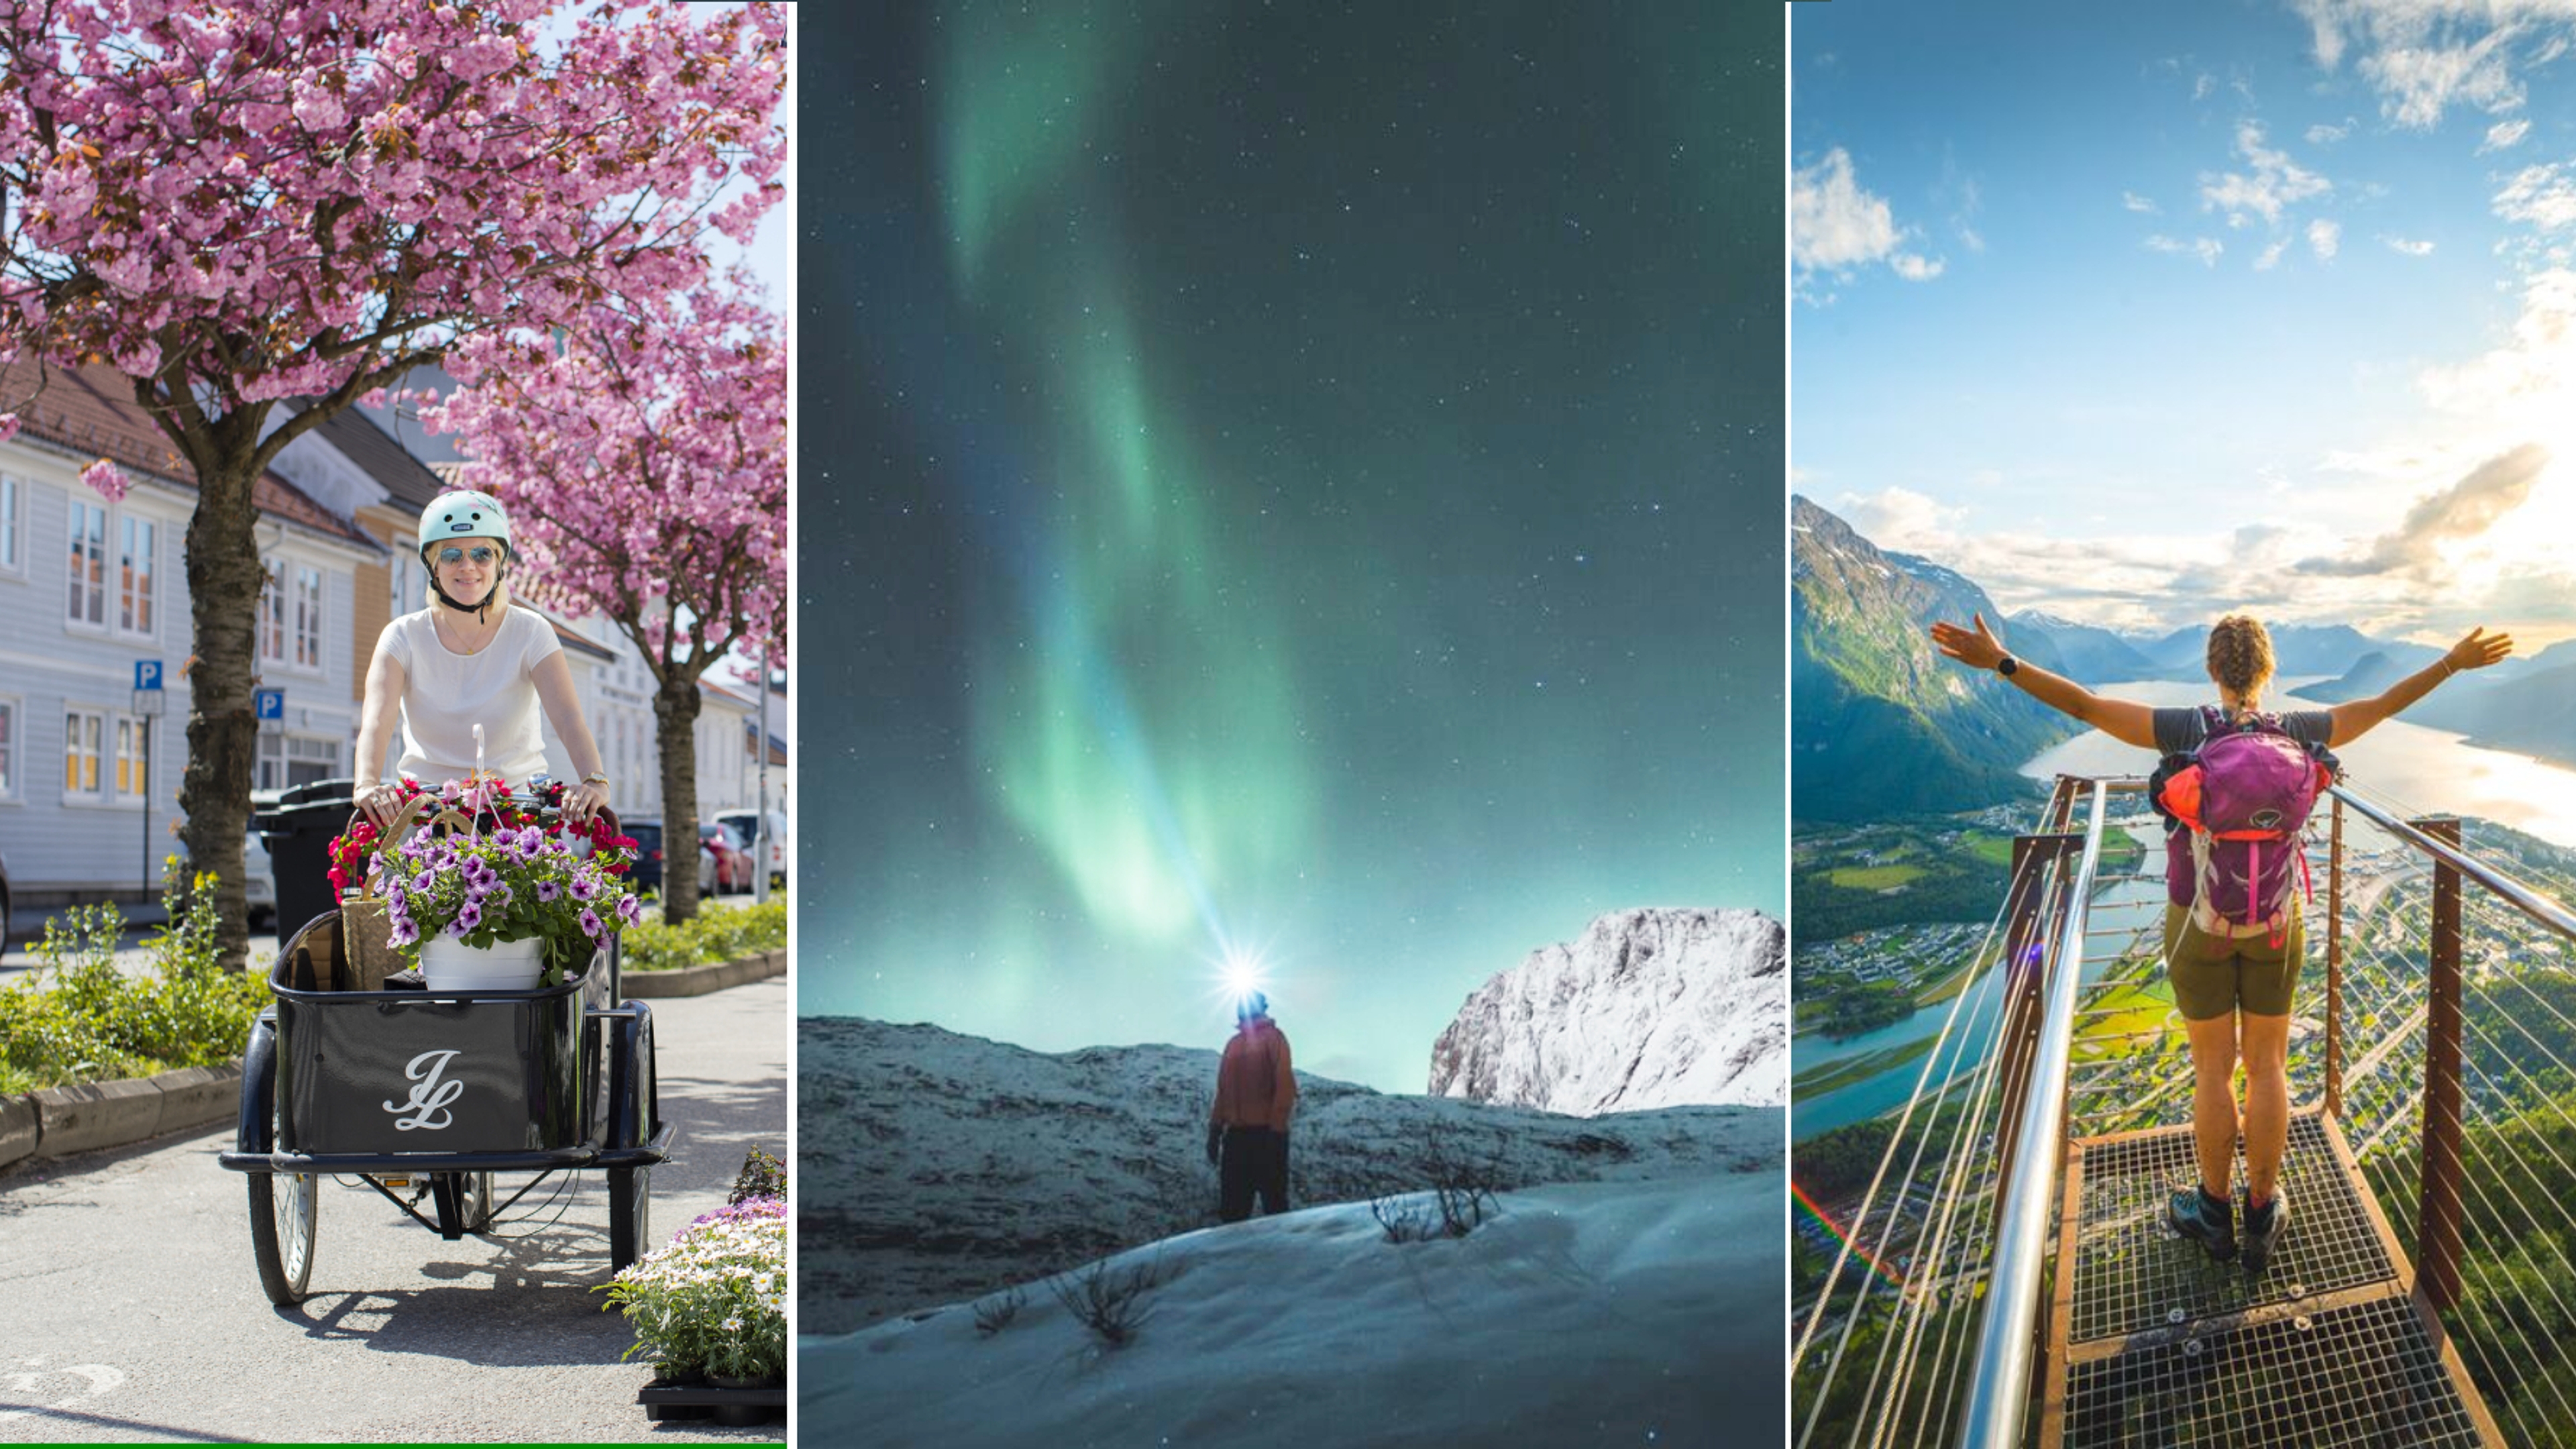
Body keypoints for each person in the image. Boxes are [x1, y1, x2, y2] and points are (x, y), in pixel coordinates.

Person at [1931, 612, 2510, 1273]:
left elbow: (2083, 704)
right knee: (2267, 1066)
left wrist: (2002, 662)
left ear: (2213, 670)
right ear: (2268, 672)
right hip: (2275, 923)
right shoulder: (2301, 730)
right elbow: (2380, 706)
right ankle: (2262, 1212)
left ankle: (2213, 1213)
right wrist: (2452, 663)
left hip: (2196, 919)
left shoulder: (2185, 729)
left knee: (2214, 1068)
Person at [353, 490, 613, 833]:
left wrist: (595, 781)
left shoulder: (531, 631)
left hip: (516, 814)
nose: (467, 566)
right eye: (451, 555)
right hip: (429, 815)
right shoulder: (402, 636)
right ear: (432, 565)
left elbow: (568, 718)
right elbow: (377, 722)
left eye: (481, 554)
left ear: (500, 563)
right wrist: (367, 785)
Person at [1208, 990, 1298, 1223]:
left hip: (1267, 1135)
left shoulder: (1274, 1038)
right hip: (1236, 1139)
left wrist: (1277, 1130)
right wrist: (1215, 1130)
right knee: (1232, 1212)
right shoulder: (1233, 1044)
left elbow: (1285, 1085)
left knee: (1275, 1208)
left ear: (1261, 1007)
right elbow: (1223, 1092)